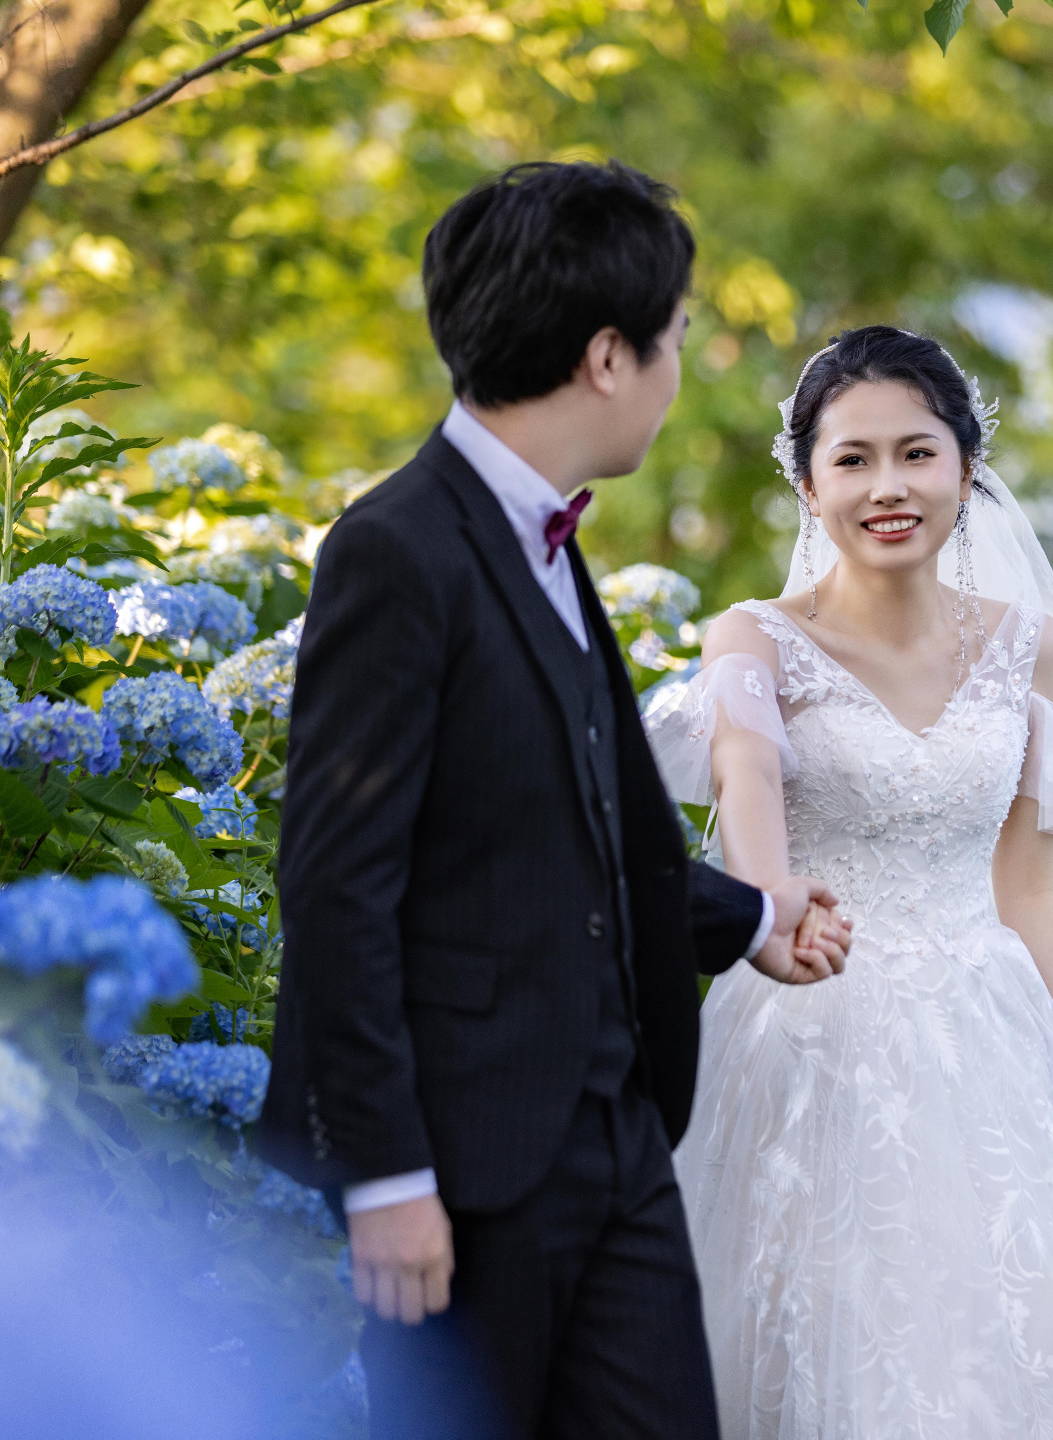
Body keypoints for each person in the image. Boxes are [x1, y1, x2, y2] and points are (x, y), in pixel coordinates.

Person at [258, 160, 853, 1440]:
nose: (679, 370)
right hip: (464, 1167)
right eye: (677, 341)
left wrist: (746, 913)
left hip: (620, 1139)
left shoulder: (551, 541)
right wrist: (387, 1177)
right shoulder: (397, 547)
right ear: (605, 357)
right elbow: (336, 882)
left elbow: (563, 841)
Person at [646, 325, 1053, 1438]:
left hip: (984, 1041)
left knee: (988, 1349)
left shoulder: (1033, 650)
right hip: (804, 1029)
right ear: (809, 482)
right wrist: (775, 910)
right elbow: (750, 799)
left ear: (967, 469)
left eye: (917, 454)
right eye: (853, 459)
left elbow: (1028, 876)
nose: (888, 487)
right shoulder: (755, 641)